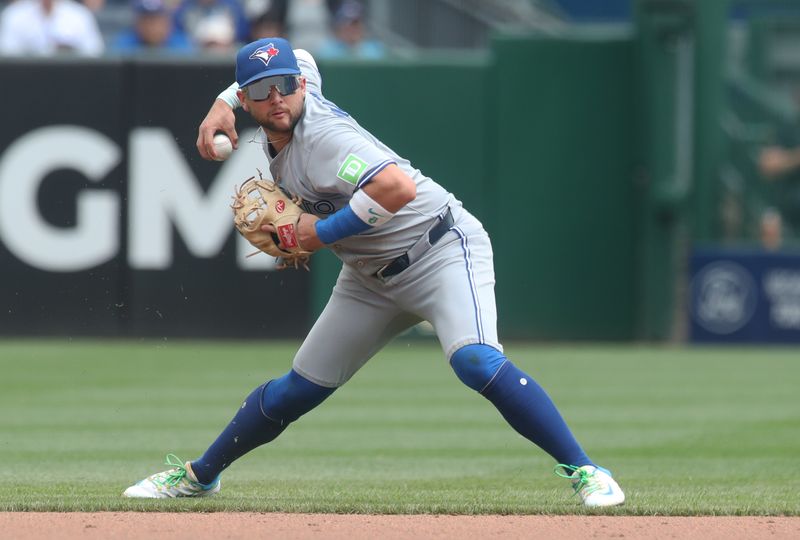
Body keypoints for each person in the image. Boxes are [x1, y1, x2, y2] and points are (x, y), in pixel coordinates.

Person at [122, 37, 625, 507]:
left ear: (299, 88)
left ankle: (586, 470)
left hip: (439, 249)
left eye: (285, 85)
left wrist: (318, 234)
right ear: (249, 101)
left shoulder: (325, 138)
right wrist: (221, 100)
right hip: (369, 278)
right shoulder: (298, 85)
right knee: (295, 389)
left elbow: (397, 189)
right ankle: (199, 475)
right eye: (261, 90)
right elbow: (295, 57)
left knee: (474, 361)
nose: (278, 97)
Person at [0, 0, 104, 56]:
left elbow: (95, 52)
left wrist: (69, 52)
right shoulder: (14, 14)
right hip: (25, 80)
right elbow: (7, 54)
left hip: (71, 79)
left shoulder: (79, 15)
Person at [112, 0, 193, 54]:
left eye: (157, 19)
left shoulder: (182, 47)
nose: (152, 27)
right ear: (137, 22)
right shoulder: (123, 46)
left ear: (168, 22)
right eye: (146, 19)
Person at [316, 0, 384, 60]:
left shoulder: (375, 50)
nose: (352, 29)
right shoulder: (327, 52)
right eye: (348, 25)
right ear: (339, 27)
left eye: (355, 24)